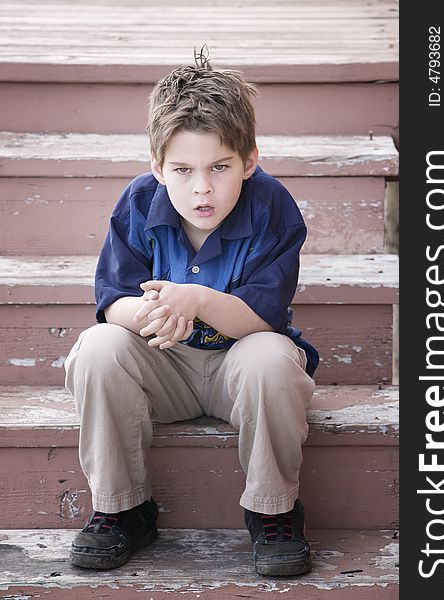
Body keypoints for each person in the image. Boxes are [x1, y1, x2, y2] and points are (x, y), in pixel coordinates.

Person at [64, 47, 319, 578]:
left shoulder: (272, 205)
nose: (201, 187)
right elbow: (113, 301)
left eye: (219, 167)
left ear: (249, 160)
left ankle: (272, 512)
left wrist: (197, 300)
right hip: (165, 367)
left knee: (272, 358)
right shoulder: (138, 203)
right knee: (98, 348)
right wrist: (150, 313)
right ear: (158, 167)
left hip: (238, 370)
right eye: (182, 169)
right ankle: (123, 508)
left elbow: (262, 317)